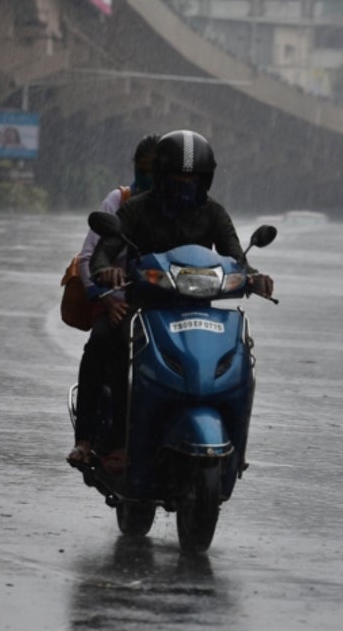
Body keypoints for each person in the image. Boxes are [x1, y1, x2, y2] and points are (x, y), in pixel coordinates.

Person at [89, 129, 274, 468]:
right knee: (108, 340)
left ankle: (237, 448)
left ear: (205, 180)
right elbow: (103, 254)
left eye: (192, 177)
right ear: (161, 175)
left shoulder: (214, 214)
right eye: (177, 175)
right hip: (145, 307)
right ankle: (113, 439)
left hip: (198, 309)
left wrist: (255, 278)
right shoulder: (134, 211)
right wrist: (107, 272)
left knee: (243, 359)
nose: (184, 183)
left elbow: (237, 258)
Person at [67, 132, 161, 469]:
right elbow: (88, 258)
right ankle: (88, 437)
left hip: (161, 306)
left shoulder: (179, 209)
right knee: (106, 343)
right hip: (117, 302)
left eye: (154, 169)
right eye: (142, 169)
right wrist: (106, 298)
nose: (147, 177)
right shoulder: (118, 202)